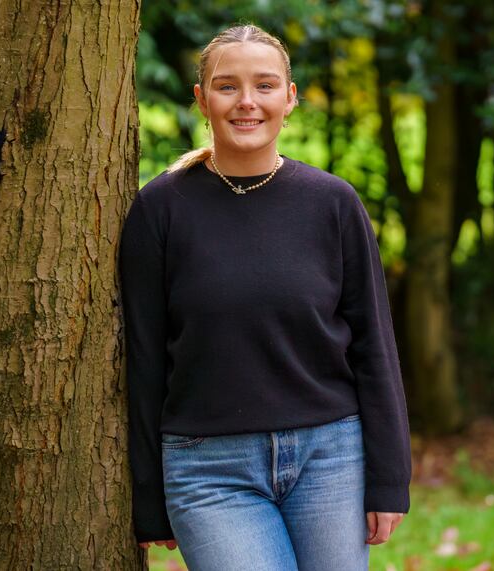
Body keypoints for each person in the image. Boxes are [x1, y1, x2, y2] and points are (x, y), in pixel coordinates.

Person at [118, 23, 412, 571]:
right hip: (208, 468)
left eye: (265, 85)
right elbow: (144, 357)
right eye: (227, 86)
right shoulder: (159, 210)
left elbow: (375, 346)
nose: (247, 102)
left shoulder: (333, 204)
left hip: (331, 459)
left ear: (290, 98)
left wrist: (389, 478)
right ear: (201, 100)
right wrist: (148, 495)